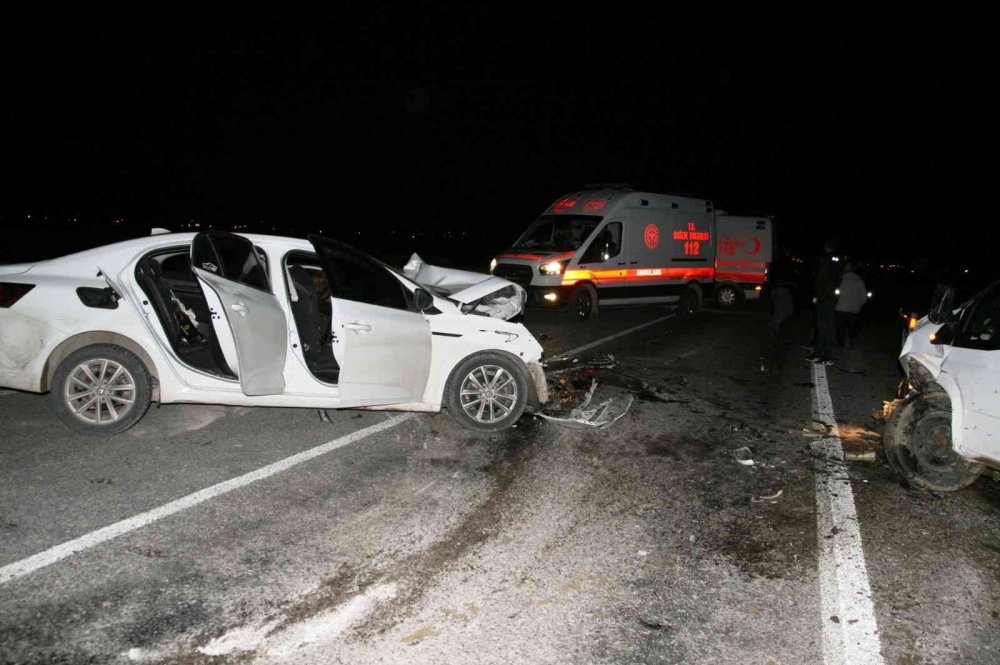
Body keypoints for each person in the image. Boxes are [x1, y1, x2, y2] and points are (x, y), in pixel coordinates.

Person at [808, 240, 840, 365]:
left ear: (826, 247)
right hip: (826, 297)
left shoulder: (830, 260)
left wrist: (822, 296)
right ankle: (818, 353)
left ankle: (828, 356)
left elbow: (830, 281)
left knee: (824, 327)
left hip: (826, 299)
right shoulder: (832, 260)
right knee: (821, 327)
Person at [835, 260, 867, 346]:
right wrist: (858, 306)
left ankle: (840, 343)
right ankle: (852, 342)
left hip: (840, 308)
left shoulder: (840, 279)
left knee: (840, 328)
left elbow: (835, 294)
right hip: (853, 309)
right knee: (852, 327)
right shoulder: (859, 280)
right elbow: (863, 297)